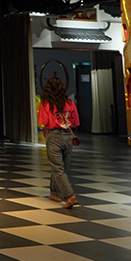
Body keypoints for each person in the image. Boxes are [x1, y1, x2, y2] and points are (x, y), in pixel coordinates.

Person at [38, 76, 80, 208]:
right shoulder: (70, 103)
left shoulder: (46, 104)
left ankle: (69, 196)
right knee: (61, 168)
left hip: (54, 136)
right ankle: (55, 193)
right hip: (68, 137)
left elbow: (43, 122)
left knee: (57, 168)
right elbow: (75, 122)